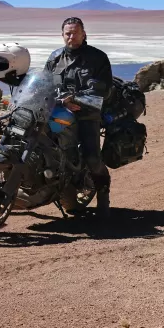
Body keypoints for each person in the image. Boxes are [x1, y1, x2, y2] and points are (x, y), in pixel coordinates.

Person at [44, 17, 114, 218]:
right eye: (67, 33)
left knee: (92, 158)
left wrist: (78, 100)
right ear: (62, 34)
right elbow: (43, 83)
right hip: (57, 111)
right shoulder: (55, 57)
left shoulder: (97, 58)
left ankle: (103, 194)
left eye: (75, 32)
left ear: (84, 34)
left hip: (87, 113)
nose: (71, 36)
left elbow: (104, 89)